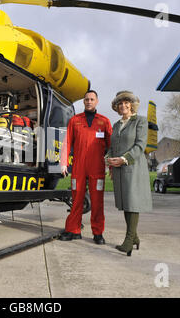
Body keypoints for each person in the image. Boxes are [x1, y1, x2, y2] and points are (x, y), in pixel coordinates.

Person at [59, 90, 113, 244]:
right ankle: (73, 230)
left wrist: (112, 166)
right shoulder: (74, 120)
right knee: (76, 199)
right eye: (86, 99)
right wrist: (64, 163)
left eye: (92, 99)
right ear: (84, 102)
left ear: (96, 101)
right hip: (79, 167)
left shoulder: (104, 121)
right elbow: (67, 142)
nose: (89, 101)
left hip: (97, 167)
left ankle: (98, 233)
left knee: (97, 201)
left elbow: (111, 146)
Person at [106, 91, 152, 256]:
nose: (123, 105)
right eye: (120, 103)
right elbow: (112, 147)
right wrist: (109, 159)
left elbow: (140, 145)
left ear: (131, 105)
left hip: (133, 167)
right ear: (117, 107)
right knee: (126, 203)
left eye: (126, 102)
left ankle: (129, 240)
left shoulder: (140, 121)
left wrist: (124, 159)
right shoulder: (117, 125)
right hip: (119, 169)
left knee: (132, 202)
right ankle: (135, 237)